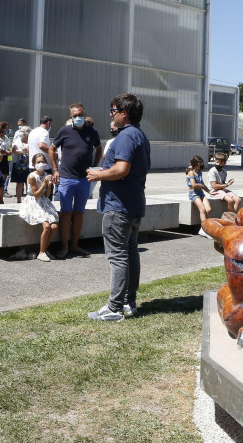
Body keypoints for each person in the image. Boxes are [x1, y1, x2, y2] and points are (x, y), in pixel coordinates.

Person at [86, 93, 151, 321]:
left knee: (118, 257)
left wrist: (98, 173)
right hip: (132, 205)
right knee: (130, 254)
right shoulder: (140, 135)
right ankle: (127, 302)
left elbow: (121, 169)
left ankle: (115, 308)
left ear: (124, 113)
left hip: (119, 207)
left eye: (113, 111)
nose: (110, 115)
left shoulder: (125, 136)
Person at [49, 103, 101, 258]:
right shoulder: (64, 131)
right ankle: (64, 247)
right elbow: (51, 149)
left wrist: (94, 166)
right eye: (74, 115)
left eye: (80, 115)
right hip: (66, 178)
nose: (77, 118)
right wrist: (55, 170)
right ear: (71, 116)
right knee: (66, 213)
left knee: (79, 213)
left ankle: (74, 245)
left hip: (84, 179)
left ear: (84, 115)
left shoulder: (91, 131)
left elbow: (99, 148)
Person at [19, 153, 59, 262]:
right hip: (33, 202)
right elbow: (36, 194)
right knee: (46, 226)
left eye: (43, 162)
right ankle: (41, 252)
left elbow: (46, 194)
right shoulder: (32, 176)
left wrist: (49, 186)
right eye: (38, 162)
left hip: (43, 201)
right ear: (33, 164)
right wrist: (44, 183)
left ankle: (44, 250)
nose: (41, 164)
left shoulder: (46, 174)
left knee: (54, 226)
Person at [186, 155, 212, 235]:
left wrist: (209, 191)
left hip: (201, 193)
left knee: (208, 209)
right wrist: (201, 185)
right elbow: (193, 185)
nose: (202, 165)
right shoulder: (191, 172)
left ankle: (205, 227)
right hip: (194, 193)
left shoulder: (199, 172)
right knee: (202, 209)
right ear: (198, 163)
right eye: (201, 163)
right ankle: (205, 229)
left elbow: (202, 183)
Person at [10, 126, 30, 203]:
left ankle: (29, 200)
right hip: (19, 164)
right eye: (20, 131)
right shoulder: (17, 141)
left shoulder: (30, 140)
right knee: (19, 183)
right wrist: (23, 151)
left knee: (28, 182)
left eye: (22, 131)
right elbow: (14, 150)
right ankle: (19, 200)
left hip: (28, 164)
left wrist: (26, 151)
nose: (20, 133)